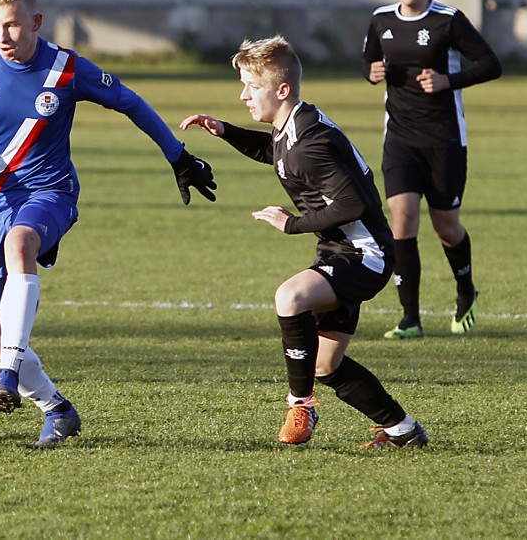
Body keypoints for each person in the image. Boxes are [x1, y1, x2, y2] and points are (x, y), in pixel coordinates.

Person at [0, 0, 217, 446]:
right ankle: (58, 410)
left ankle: (9, 373)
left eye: (14, 25)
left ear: (36, 21)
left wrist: (177, 156)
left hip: (50, 194)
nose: (3, 36)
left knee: (22, 244)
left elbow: (130, 103)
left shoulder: (66, 70)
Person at [180, 35, 427, 448]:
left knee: (290, 297)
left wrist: (291, 223)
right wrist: (225, 131)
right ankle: (403, 430)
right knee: (327, 365)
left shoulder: (310, 143)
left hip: (362, 255)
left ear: (281, 90)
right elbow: (274, 151)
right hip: (343, 251)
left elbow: (349, 203)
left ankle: (301, 405)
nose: (243, 95)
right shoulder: (296, 124)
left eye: (251, 87)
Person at [362, 0, 502, 339]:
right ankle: (410, 319)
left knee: (446, 226)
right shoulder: (380, 19)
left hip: (444, 139)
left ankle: (465, 290)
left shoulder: (448, 20)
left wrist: (447, 81)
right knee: (402, 220)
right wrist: (370, 72)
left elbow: (491, 64)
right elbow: (368, 61)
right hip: (400, 138)